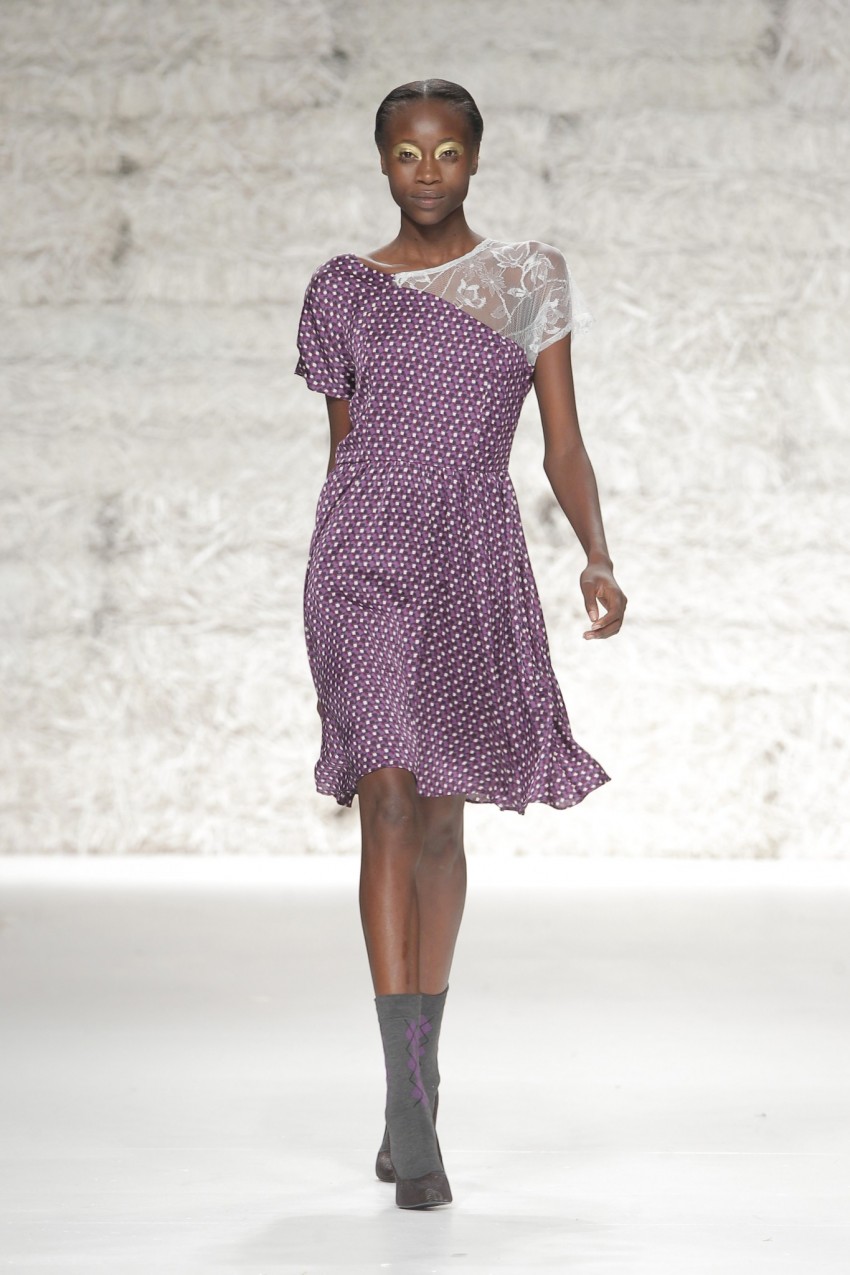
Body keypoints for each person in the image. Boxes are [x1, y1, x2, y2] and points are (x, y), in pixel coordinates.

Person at [295, 78, 627, 1210]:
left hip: (470, 557)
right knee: (387, 799)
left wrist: (596, 553)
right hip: (360, 559)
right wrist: (346, 553)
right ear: (382, 163)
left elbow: (562, 443)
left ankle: (418, 1073)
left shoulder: (529, 278)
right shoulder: (341, 290)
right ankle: (406, 1109)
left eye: (445, 152)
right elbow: (347, 447)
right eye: (406, 153)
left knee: (440, 820)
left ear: (475, 161)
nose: (426, 171)